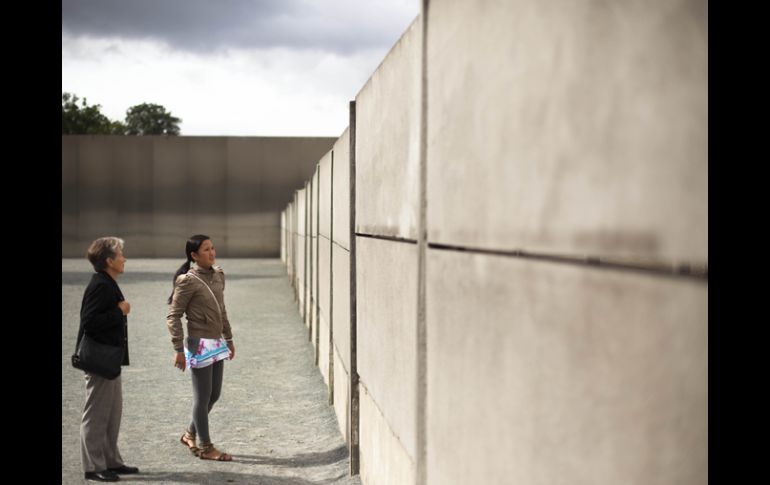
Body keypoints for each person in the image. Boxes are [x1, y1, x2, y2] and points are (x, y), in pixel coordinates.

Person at [167, 234, 235, 461]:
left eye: (213, 248)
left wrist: (229, 338)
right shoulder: (187, 280)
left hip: (216, 342)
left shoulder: (219, 275)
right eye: (206, 250)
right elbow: (173, 316)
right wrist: (178, 349)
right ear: (194, 255)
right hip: (198, 344)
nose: (212, 253)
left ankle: (189, 434)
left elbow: (222, 309)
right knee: (202, 396)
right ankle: (206, 447)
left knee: (214, 395)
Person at [77, 237, 140, 482]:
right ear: (109, 260)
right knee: (96, 415)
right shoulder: (100, 285)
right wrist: (119, 311)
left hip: (109, 360)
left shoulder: (107, 282)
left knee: (112, 414)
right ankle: (93, 467)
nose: (124, 258)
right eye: (120, 254)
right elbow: (89, 322)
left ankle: (111, 461)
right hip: (100, 361)